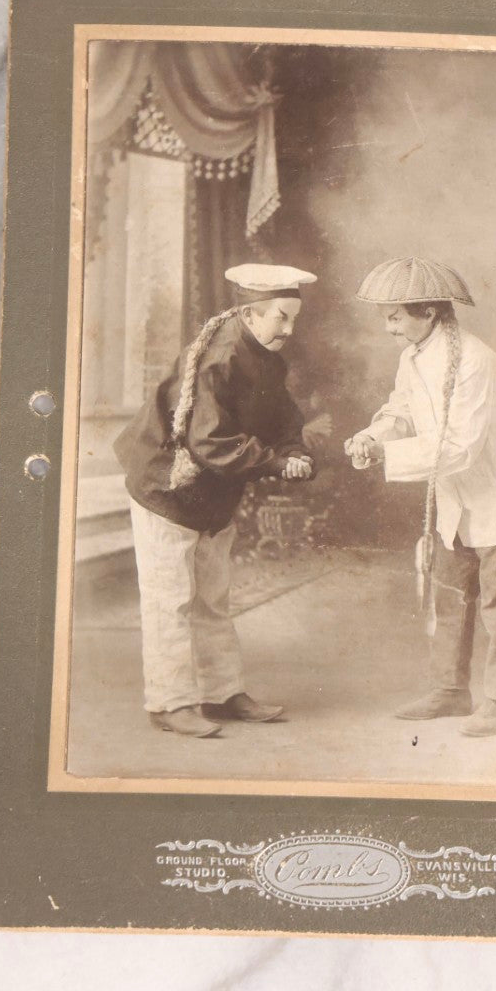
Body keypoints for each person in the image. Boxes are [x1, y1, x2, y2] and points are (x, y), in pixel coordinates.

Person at [345, 256, 496, 737]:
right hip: (457, 492)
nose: (388, 327)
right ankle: (450, 690)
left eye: (395, 316)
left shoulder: (475, 360)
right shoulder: (413, 356)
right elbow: (400, 408)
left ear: (428, 313)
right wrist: (375, 436)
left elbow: (460, 447)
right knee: (450, 594)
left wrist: (388, 458)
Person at [114, 263, 317, 737]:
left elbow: (281, 415)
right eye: (281, 318)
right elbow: (210, 442)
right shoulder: (219, 357)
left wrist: (294, 451)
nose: (288, 329)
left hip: (212, 493)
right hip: (168, 487)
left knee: (213, 598)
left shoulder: (265, 354)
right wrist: (274, 462)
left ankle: (222, 693)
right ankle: (168, 703)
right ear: (250, 313)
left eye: (293, 319)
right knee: (172, 601)